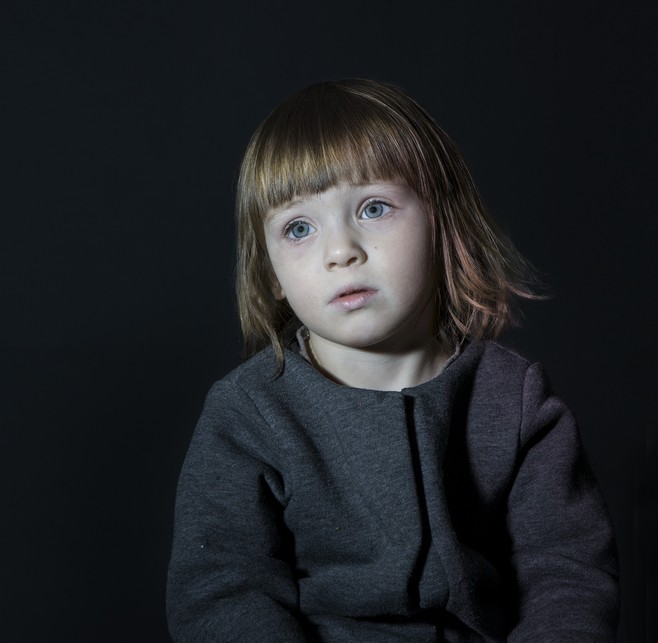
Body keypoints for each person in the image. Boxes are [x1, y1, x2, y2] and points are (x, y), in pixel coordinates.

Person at [166, 79, 619, 641]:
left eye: (374, 208)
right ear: (270, 273)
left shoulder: (515, 400)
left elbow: (567, 577)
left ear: (441, 221)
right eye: (299, 228)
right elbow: (223, 591)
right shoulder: (247, 413)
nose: (341, 251)